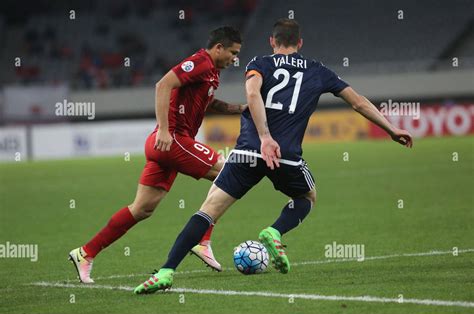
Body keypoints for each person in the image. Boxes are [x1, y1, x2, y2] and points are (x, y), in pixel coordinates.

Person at [133, 18, 413, 294]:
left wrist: (263, 136)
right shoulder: (319, 71)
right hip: (285, 156)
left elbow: (253, 95)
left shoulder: (259, 63)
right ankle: (275, 231)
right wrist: (390, 128)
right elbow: (359, 102)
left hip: (245, 153)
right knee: (306, 198)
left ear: (272, 41)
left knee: (207, 210)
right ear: (300, 43)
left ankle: (166, 272)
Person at [68, 27, 244, 283]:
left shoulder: (210, 72)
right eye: (233, 52)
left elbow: (208, 101)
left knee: (142, 208)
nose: (235, 58)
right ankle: (202, 240)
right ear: (219, 48)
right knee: (230, 174)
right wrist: (164, 129)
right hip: (172, 139)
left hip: (166, 146)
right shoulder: (200, 62)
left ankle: (86, 253)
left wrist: (239, 108)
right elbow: (163, 84)